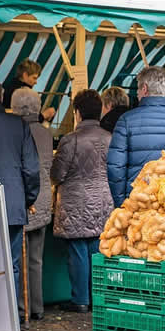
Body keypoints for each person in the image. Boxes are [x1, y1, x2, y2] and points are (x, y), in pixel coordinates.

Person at [0, 80, 40, 320]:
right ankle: (8, 318)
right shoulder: (18, 124)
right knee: (11, 264)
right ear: (1, 97)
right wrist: (27, 198)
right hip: (12, 202)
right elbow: (31, 169)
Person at [51, 89, 114, 313]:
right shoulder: (110, 138)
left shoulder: (70, 141)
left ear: (77, 112)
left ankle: (80, 299)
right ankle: (98, 297)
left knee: (77, 250)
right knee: (98, 250)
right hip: (104, 202)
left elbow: (57, 174)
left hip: (76, 203)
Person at [107, 66, 165, 207]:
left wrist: (122, 203)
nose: (138, 94)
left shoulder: (126, 121)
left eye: (138, 90)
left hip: (138, 202)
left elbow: (115, 169)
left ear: (144, 89)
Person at [12, 88, 52, 322]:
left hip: (25, 198)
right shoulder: (46, 134)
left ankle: (21, 307)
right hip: (44, 198)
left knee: (18, 257)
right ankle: (37, 306)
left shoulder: (15, 132)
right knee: (36, 258)